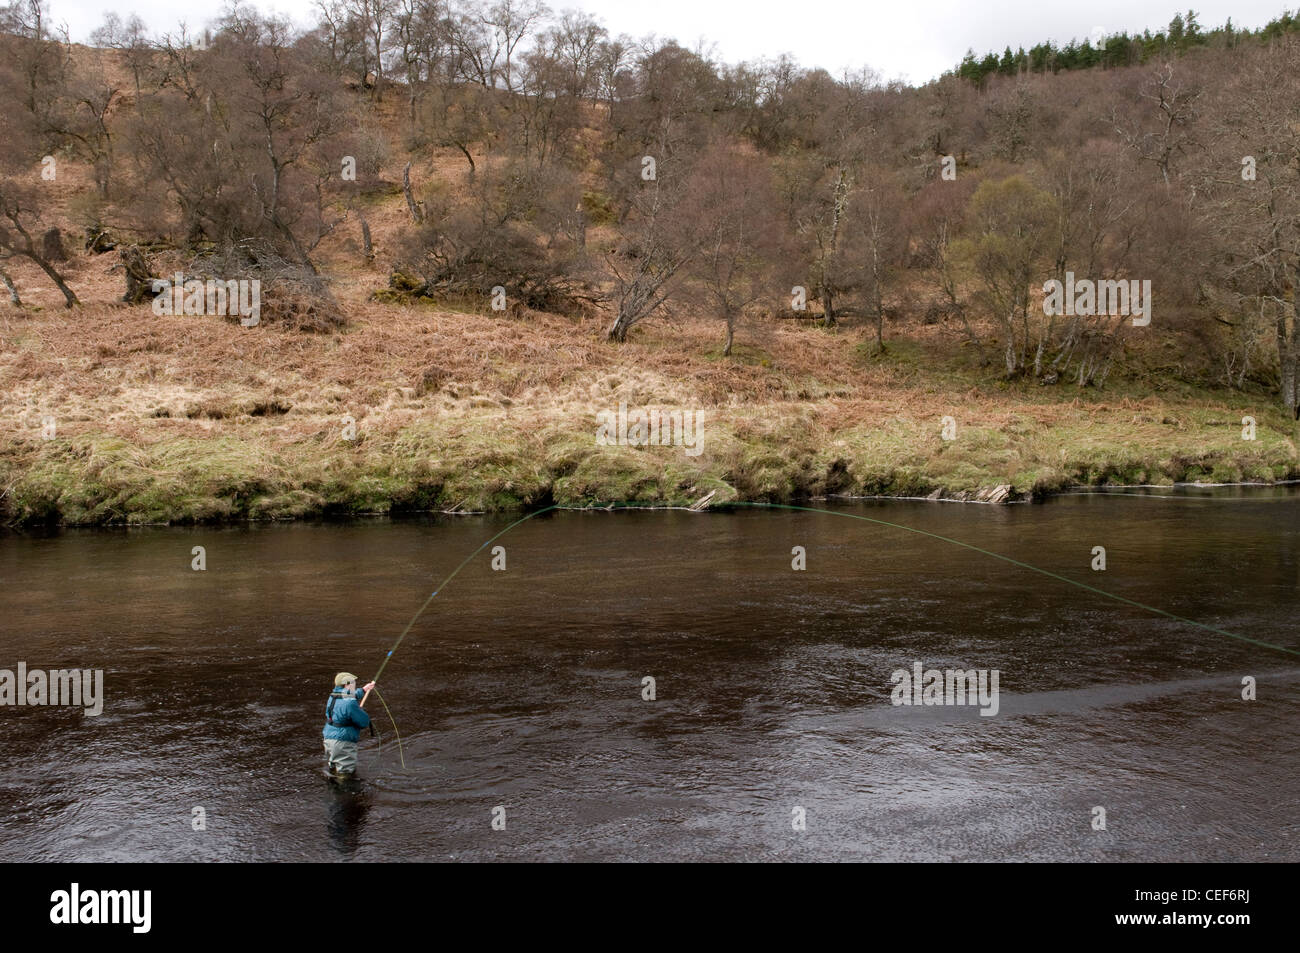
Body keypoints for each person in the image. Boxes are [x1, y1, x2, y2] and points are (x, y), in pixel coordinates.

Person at [323, 672, 376, 778]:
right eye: (353, 683)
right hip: (343, 742)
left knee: (333, 768)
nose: (355, 685)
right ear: (347, 685)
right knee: (345, 774)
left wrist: (364, 690)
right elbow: (363, 722)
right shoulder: (350, 703)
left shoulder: (333, 696)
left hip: (328, 739)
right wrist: (359, 711)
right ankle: (343, 792)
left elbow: (350, 695)